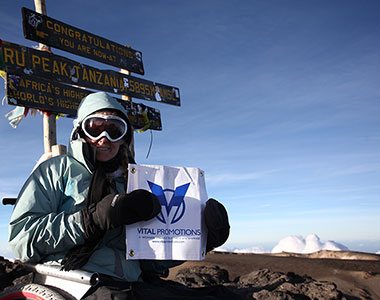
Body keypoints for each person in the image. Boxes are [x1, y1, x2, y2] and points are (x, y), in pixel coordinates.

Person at [8, 92, 235, 299]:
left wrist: (202, 237)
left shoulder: (134, 182)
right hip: (73, 281)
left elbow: (151, 259)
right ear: (80, 131)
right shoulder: (55, 171)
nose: (104, 137)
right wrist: (90, 220)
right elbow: (22, 241)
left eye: (115, 129)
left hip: (133, 283)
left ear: (124, 137)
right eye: (95, 127)